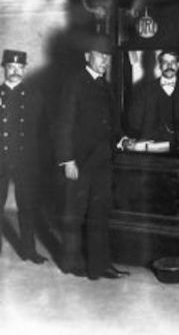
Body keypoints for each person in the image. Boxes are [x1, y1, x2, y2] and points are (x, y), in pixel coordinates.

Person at [53, 33, 130, 280]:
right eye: (100, 56)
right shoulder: (74, 82)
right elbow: (63, 123)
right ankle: (71, 263)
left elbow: (112, 123)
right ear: (88, 56)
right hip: (79, 162)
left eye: (107, 58)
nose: (104, 62)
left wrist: (122, 139)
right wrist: (67, 160)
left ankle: (100, 265)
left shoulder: (107, 86)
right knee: (74, 213)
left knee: (99, 214)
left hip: (102, 160)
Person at [0, 49, 48, 264]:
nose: (15, 71)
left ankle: (29, 251)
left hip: (25, 160)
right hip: (1, 158)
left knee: (27, 207)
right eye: (11, 67)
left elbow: (42, 131)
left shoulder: (34, 96)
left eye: (19, 68)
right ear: (3, 68)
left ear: (24, 69)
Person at [127, 50, 179, 147]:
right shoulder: (145, 90)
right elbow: (134, 123)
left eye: (173, 62)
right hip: (151, 152)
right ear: (160, 65)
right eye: (165, 62)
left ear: (178, 65)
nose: (169, 66)